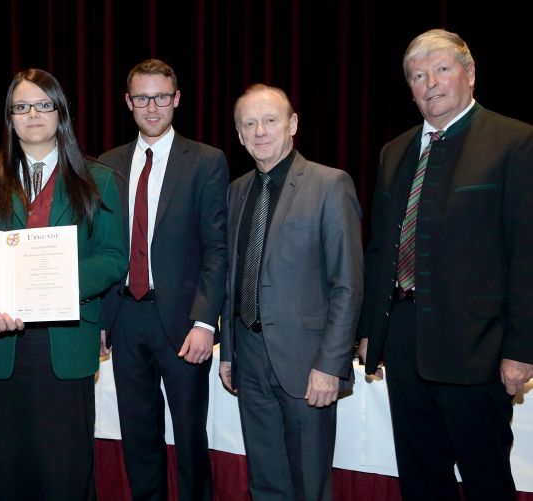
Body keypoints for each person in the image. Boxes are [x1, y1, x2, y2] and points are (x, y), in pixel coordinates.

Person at [358, 28, 533, 500]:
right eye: (418, 75)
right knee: (421, 478)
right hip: (404, 343)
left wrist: (521, 348)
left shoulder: (515, 141)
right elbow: (380, 251)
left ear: (470, 74)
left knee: (485, 479)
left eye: (441, 69)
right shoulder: (393, 152)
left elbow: (526, 251)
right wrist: (372, 330)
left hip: (477, 347)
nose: (430, 83)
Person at [0, 68, 127, 501]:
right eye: (21, 106)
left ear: (60, 112)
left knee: (62, 469)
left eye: (43, 104)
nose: (33, 114)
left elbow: (112, 257)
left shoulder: (97, 178)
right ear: (10, 117)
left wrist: (59, 279)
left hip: (64, 344)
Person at [219, 84, 362, 500]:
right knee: (264, 481)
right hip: (248, 355)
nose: (260, 131)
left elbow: (347, 286)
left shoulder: (330, 184)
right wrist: (228, 352)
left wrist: (330, 365)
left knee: (309, 483)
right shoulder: (237, 190)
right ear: (240, 135)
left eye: (270, 120)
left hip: (307, 363)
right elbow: (233, 276)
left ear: (292, 124)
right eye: (249, 123)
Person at [99, 59, 228, 501]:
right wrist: (100, 321)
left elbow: (217, 250)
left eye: (160, 97)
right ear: (128, 102)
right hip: (124, 319)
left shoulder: (207, 161)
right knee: (139, 437)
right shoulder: (107, 164)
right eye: (141, 98)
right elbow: (103, 249)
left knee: (190, 437)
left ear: (176, 100)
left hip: (183, 323)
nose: (151, 107)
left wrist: (205, 322)